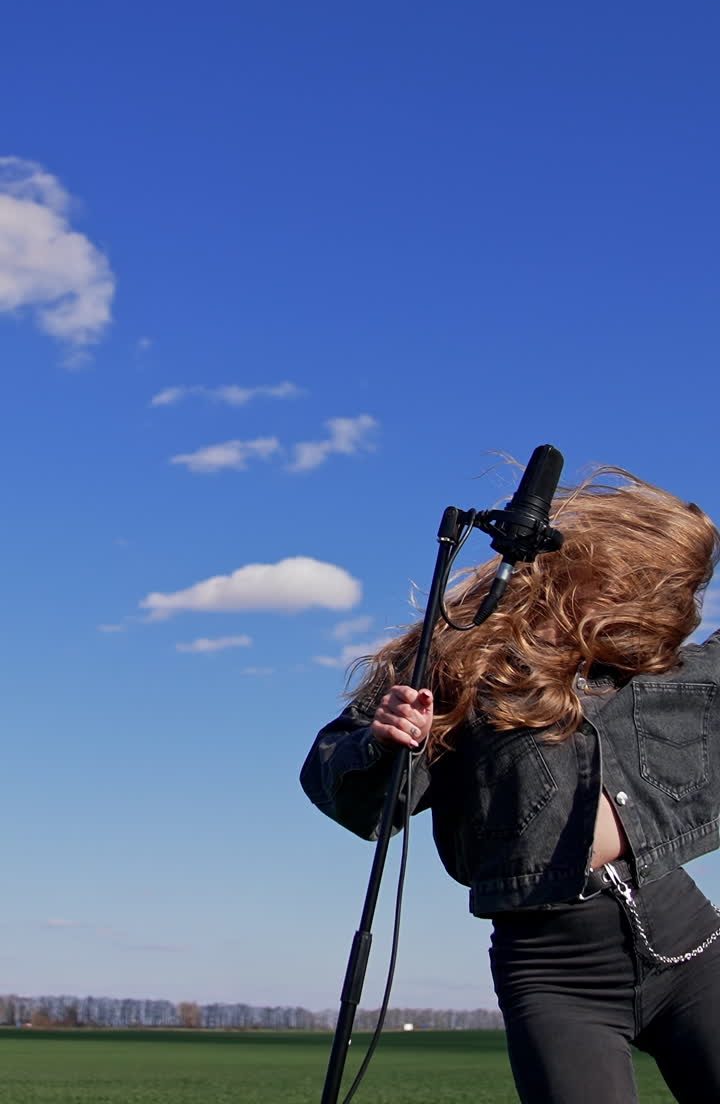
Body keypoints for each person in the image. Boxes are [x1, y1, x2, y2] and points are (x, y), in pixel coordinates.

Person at [300, 468, 720, 1103]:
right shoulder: (454, 659)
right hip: (555, 973)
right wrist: (382, 741)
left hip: (692, 944)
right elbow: (334, 777)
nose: (634, 603)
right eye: (628, 584)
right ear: (584, 564)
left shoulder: (651, 665)